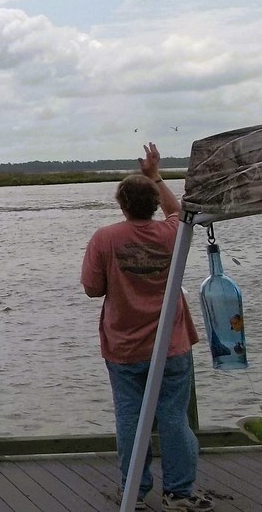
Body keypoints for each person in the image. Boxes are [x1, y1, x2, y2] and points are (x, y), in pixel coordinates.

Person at [81, 142, 213, 511]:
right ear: (152, 203)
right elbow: (181, 212)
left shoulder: (105, 238)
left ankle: (133, 493)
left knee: (129, 419)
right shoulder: (172, 232)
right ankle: (180, 493)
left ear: (121, 205)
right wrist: (156, 176)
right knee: (174, 417)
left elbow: (92, 289)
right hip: (170, 344)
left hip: (123, 347)